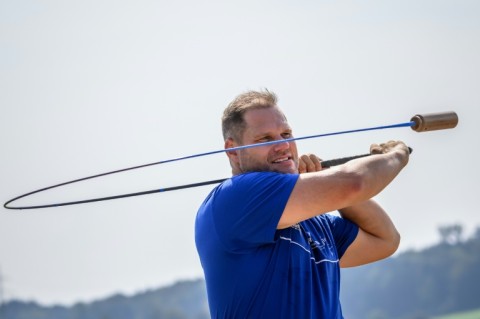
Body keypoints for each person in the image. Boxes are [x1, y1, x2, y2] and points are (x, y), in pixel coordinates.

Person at [195, 89, 409, 318]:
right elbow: (355, 183)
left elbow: (385, 240)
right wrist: (397, 155)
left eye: (286, 134)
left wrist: (324, 182)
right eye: (265, 139)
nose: (283, 145)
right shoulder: (237, 197)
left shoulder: (315, 221)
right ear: (233, 152)